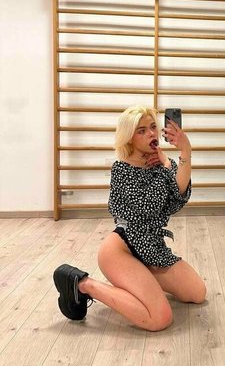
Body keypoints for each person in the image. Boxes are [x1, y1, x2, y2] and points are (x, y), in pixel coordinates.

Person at [53, 105, 207, 331]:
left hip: (152, 247)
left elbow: (179, 195)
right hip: (122, 249)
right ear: (129, 138)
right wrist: (166, 167)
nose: (151, 133)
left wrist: (185, 151)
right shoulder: (121, 170)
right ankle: (83, 284)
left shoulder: (161, 164)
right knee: (160, 319)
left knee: (197, 293)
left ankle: (141, 282)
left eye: (153, 127)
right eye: (141, 131)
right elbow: (149, 206)